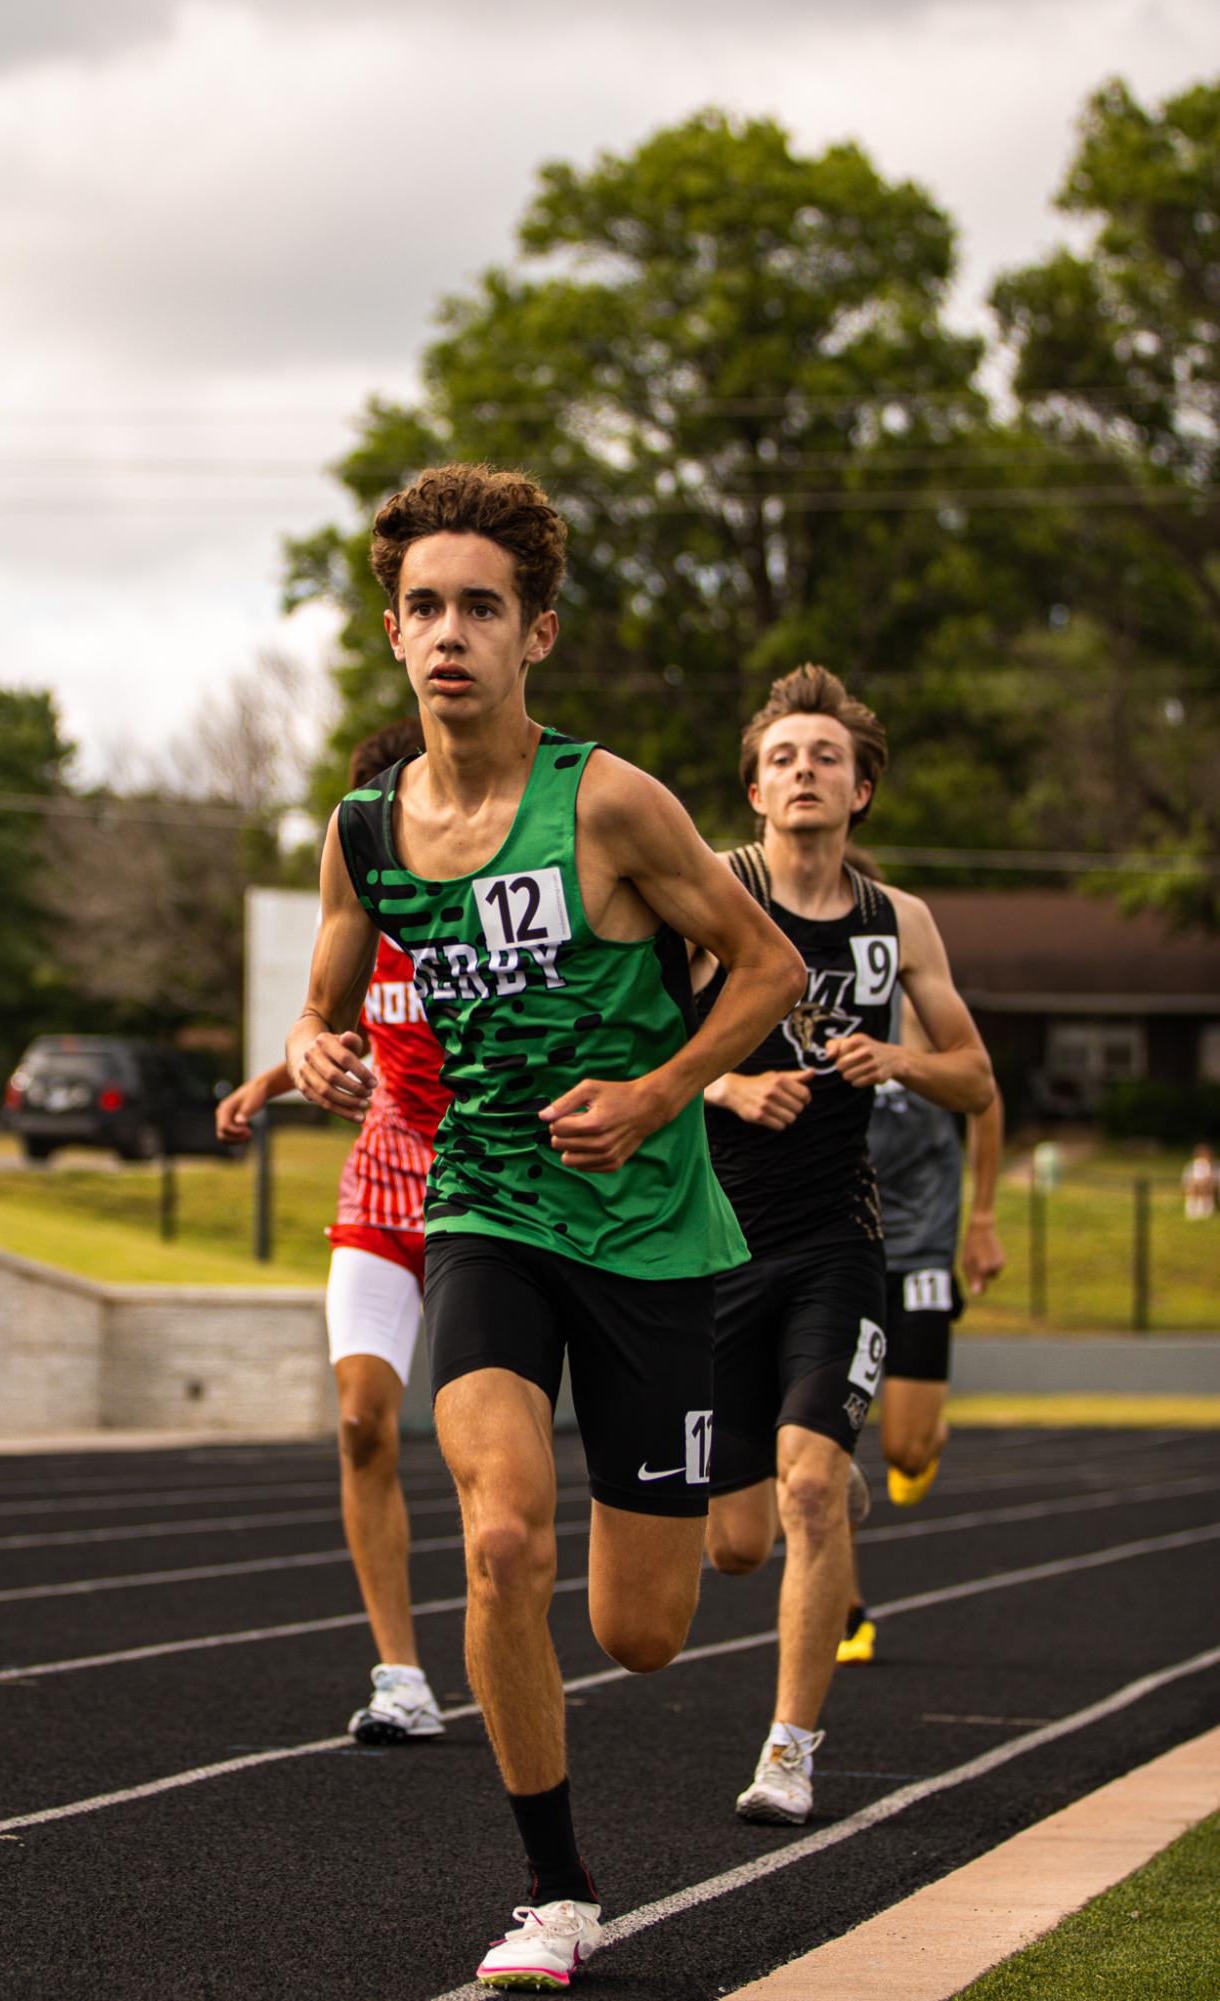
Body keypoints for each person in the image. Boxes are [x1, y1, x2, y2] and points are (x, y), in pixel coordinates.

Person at [285, 463, 805, 1992]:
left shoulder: (611, 802)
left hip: (647, 1236)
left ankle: (721, 1500)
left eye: (481, 608)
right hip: (486, 1212)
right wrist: (315, 1048)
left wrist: (652, 1093)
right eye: (425, 606)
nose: (451, 633)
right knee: (502, 1532)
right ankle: (554, 1891)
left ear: (538, 636)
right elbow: (324, 1004)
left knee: (641, 1629)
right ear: (394, 633)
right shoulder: (365, 828)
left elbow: (767, 968)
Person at [695, 664, 994, 1826]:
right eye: (781, 758)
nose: (803, 773)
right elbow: (628, 1045)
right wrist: (727, 1085)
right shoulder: (713, 891)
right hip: (712, 1241)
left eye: (825, 757)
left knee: (809, 1489)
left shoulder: (897, 921)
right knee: (730, 1546)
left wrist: (898, 1060)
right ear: (755, 791)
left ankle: (786, 1752)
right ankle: (814, 1472)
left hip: (838, 1239)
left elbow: (972, 1075)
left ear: (859, 788)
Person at [216, 719, 453, 1743]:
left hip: (490, 1195)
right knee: (362, 1421)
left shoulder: (486, 916)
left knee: (489, 1453)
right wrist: (279, 1075)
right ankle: (399, 1674)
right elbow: (337, 1024)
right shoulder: (361, 912)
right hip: (379, 1189)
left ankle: (507, 1628)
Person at [837, 980, 1006, 1666]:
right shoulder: (809, 1012)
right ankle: (847, 1612)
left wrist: (984, 1219)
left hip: (923, 1249)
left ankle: (926, 1435)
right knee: (824, 1451)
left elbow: (986, 1102)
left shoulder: (925, 1013)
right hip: (840, 1244)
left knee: (905, 1449)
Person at [1182, 1141, 1217, 1221]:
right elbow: (1187, 1182)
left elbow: (1214, 1182)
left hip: (1209, 1190)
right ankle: (1194, 1209)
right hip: (1195, 1189)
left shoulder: (1215, 1165)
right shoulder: (1192, 1165)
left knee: (1205, 1184)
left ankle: (1205, 1209)